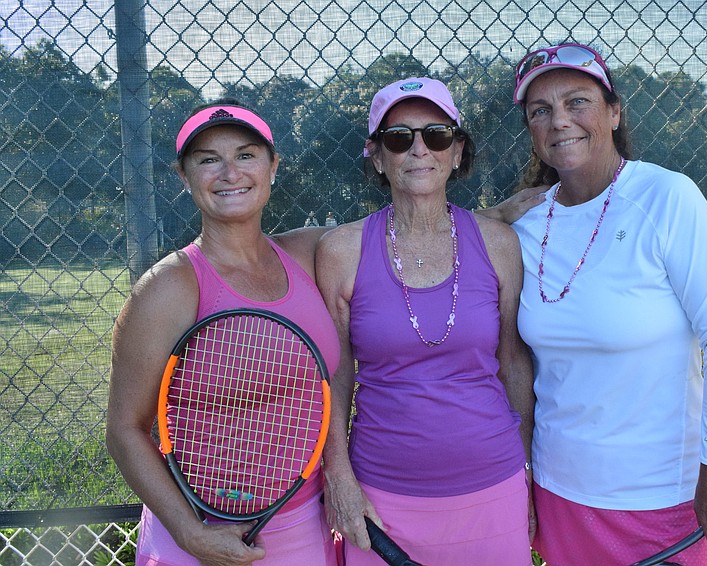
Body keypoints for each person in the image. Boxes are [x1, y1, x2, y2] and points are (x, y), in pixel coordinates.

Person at [496, 42, 707, 566]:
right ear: (530, 128)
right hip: (560, 493)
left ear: (614, 113)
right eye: (540, 110)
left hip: (663, 497)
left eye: (578, 102)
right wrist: (494, 214)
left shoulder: (667, 198)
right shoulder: (523, 224)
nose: (559, 121)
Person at [106, 99, 339, 566]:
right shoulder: (167, 287)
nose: (230, 172)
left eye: (246, 155)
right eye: (209, 159)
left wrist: (496, 215)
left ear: (274, 166)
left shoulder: (311, 253)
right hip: (198, 536)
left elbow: (404, 225)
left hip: (306, 525)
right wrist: (191, 534)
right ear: (184, 176)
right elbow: (124, 430)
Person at [316, 77, 536, 565]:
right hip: (382, 495)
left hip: (492, 488)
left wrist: (527, 470)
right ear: (376, 156)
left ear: (457, 151)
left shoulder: (499, 245)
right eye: (399, 138)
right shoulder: (342, 251)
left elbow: (514, 364)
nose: (419, 150)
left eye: (436, 135)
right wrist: (340, 478)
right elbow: (335, 375)